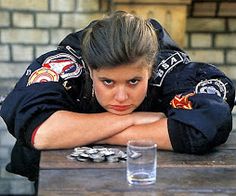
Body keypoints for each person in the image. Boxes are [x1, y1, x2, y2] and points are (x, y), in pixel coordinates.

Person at [0, 11, 235, 182]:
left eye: (134, 81)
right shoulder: (65, 64)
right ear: (90, 70)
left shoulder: (171, 71)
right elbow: (42, 132)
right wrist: (132, 120)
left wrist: (79, 134)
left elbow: (205, 127)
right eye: (107, 82)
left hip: (153, 181)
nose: (121, 96)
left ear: (150, 68)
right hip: (56, 179)